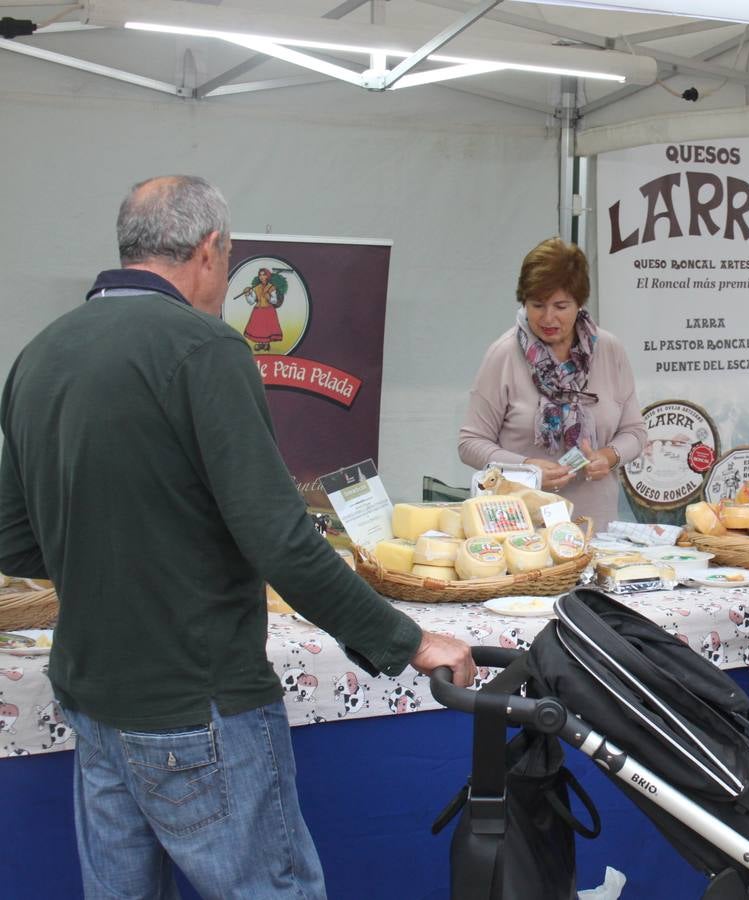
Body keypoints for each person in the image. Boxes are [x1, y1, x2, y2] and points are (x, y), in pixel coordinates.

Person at [0, 175, 475, 899]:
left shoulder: (39, 354)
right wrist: (408, 640)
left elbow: (11, 537)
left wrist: (122, 549)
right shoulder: (204, 348)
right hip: (198, 701)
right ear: (211, 251)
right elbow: (279, 538)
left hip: (94, 697)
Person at [458, 237, 646, 524]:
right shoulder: (504, 355)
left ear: (580, 303)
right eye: (537, 305)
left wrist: (609, 456)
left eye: (561, 306)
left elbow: (635, 432)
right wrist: (526, 469)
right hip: (521, 530)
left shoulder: (610, 350)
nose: (548, 317)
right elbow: (470, 443)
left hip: (596, 530)